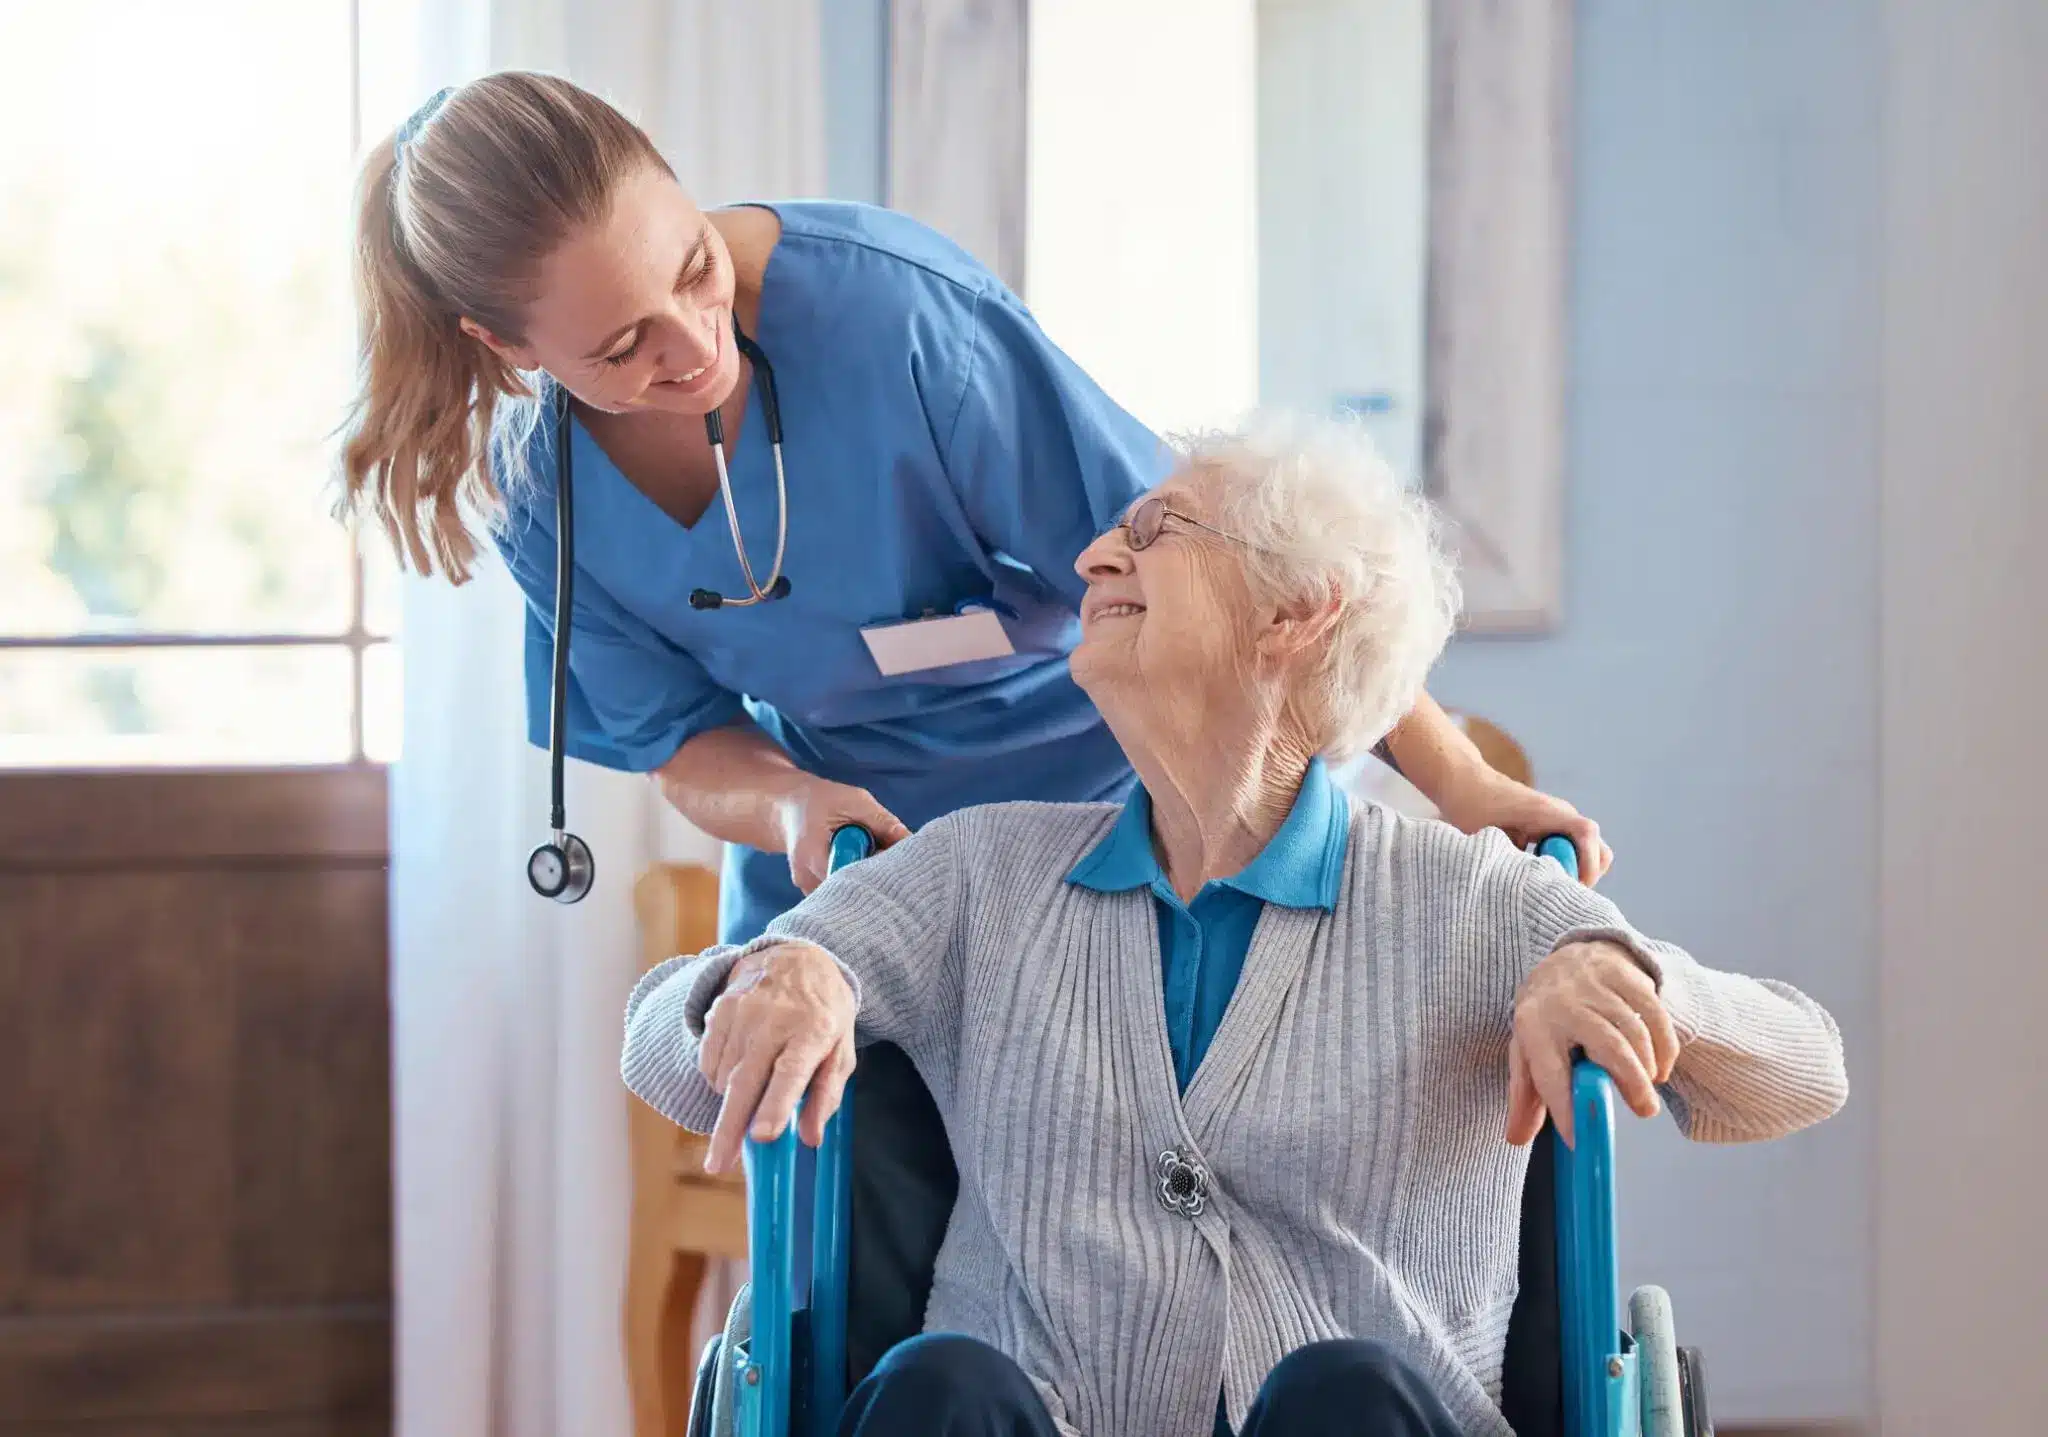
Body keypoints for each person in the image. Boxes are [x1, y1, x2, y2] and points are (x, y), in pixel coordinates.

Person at [620, 416, 1848, 1437]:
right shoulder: (979, 875)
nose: (1096, 556)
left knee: (1344, 1390)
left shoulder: (1472, 902)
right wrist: (772, 976)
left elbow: (1801, 1068)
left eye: (1154, 532)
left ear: (1295, 614)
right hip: (1017, 1414)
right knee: (939, 1387)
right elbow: (655, 1049)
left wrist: (1620, 978)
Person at [339, 71, 1611, 950]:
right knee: (844, 1226)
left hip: (1124, 811)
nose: (693, 347)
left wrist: (1456, 785)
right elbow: (679, 740)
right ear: (506, 350)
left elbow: (1234, 569)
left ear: (679, 186)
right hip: (865, 865)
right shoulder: (539, 491)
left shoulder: (895, 321)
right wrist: (788, 807)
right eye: (621, 348)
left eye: (694, 269)